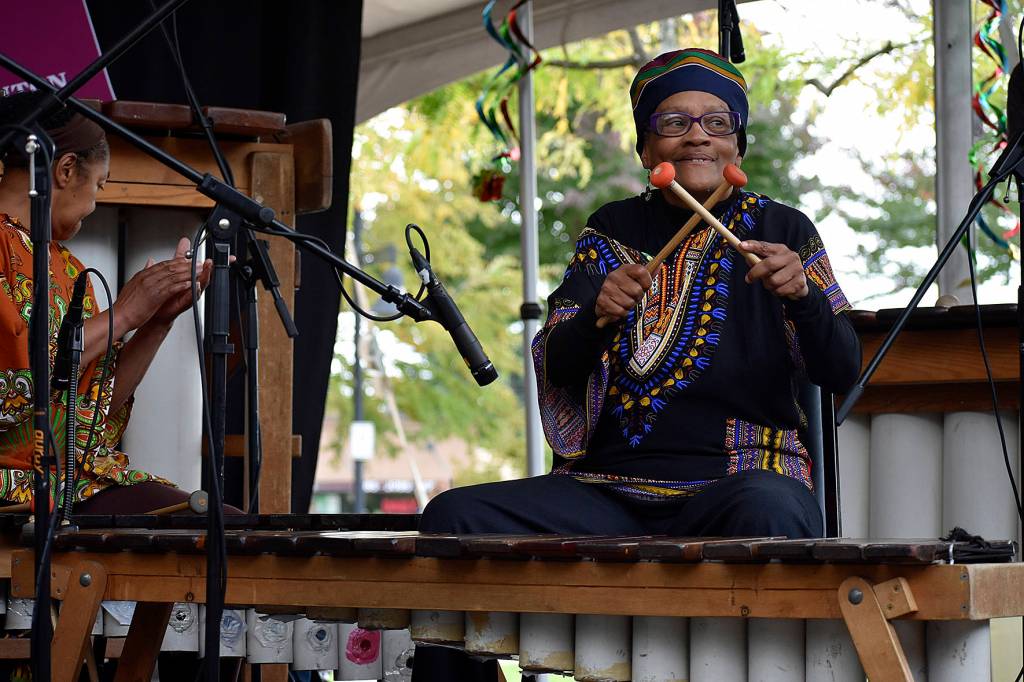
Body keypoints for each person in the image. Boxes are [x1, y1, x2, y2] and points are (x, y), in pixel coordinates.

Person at [412, 48, 860, 679]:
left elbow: (844, 370)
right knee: (454, 518)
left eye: (718, 122)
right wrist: (597, 314)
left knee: (776, 512)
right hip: (608, 491)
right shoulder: (609, 230)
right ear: (648, 151)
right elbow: (560, 366)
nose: (699, 134)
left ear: (738, 144)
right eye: (674, 122)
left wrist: (806, 300)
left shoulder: (785, 229)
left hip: (736, 484)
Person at [0, 92, 215, 515]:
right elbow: (22, 382)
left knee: (217, 526)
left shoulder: (67, 268)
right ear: (65, 170)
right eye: (98, 184)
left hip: (69, 484)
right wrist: (125, 314)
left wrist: (156, 321)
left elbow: (94, 411)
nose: (96, 204)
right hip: (15, 488)